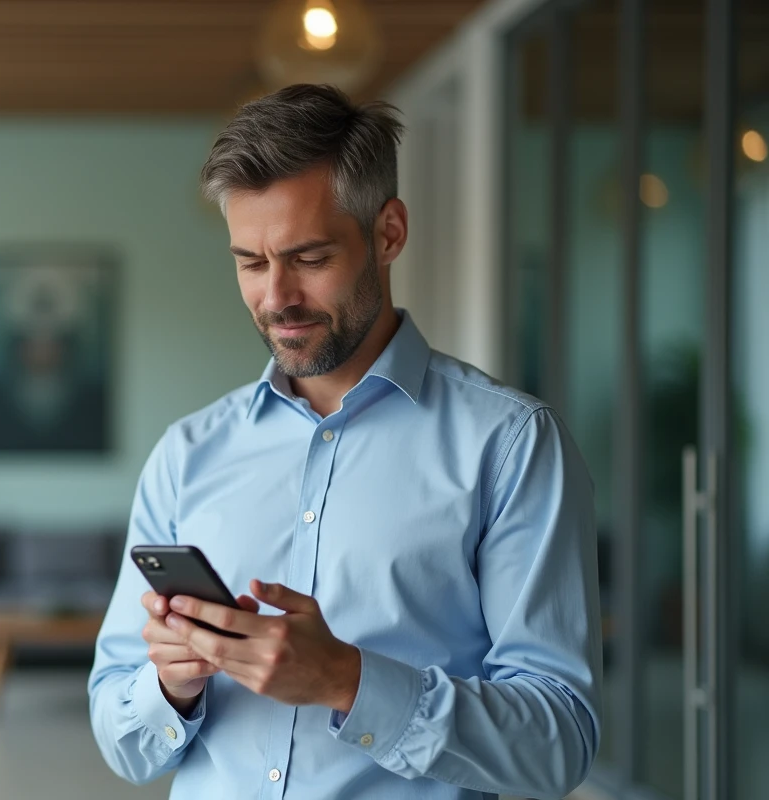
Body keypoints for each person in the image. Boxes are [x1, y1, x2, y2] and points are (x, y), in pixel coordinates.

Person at [87, 84, 602, 800]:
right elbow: (121, 737)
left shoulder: (511, 446)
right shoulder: (187, 453)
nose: (276, 298)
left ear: (388, 233)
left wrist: (347, 681)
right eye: (250, 262)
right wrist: (170, 686)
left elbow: (558, 743)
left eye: (308, 257)